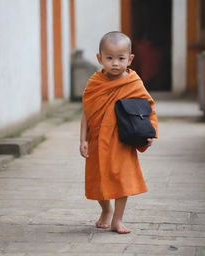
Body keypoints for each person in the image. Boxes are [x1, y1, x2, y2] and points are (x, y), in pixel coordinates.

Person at [80, 31, 158, 234]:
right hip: (97, 140)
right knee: (98, 179)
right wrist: (83, 140)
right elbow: (86, 113)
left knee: (122, 180)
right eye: (109, 58)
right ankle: (106, 210)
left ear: (130, 59)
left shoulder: (133, 83)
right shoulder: (94, 84)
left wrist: (150, 134)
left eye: (121, 58)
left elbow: (148, 109)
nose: (115, 63)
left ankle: (118, 219)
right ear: (99, 58)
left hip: (122, 141)